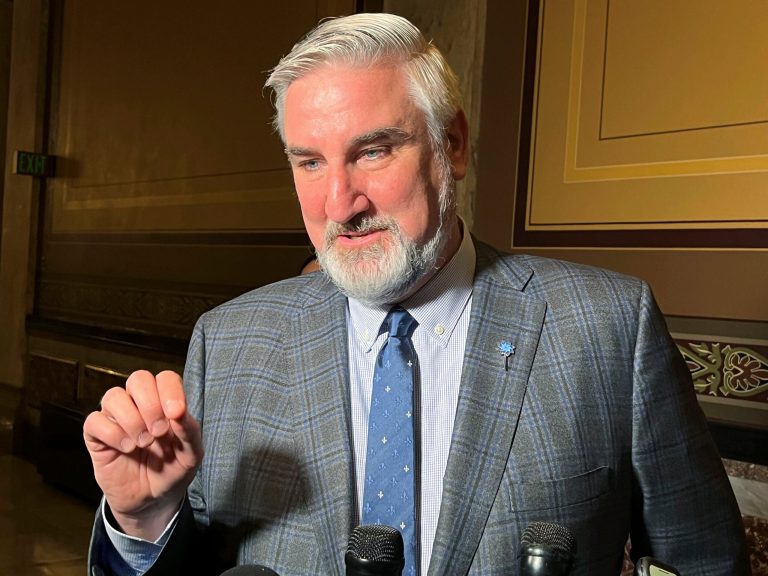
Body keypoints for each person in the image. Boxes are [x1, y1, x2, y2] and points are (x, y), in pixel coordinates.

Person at [84, 12, 750, 576]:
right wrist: (144, 521)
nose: (339, 204)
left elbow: (705, 561)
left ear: (451, 146)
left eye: (373, 152)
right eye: (310, 162)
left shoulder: (608, 327)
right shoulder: (230, 340)